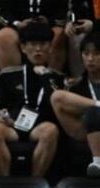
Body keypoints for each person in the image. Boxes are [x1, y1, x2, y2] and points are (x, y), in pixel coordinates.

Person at [0, 21, 63, 177]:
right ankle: (4, 180)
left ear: (50, 47)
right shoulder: (8, 75)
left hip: (39, 127)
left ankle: (35, 181)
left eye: (43, 44)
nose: (38, 49)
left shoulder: (57, 78)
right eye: (33, 44)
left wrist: (46, 77)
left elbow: (59, 107)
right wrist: (0, 117)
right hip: (12, 125)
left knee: (51, 130)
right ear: (23, 48)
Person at [51, 31, 100, 176]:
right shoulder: (76, 86)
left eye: (96, 53)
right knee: (59, 97)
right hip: (88, 131)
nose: (90, 59)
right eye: (86, 53)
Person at [0, 2, 67, 71]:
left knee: (58, 34)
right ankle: (12, 80)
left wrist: (49, 21)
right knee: (5, 35)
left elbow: (65, 12)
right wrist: (16, 23)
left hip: (49, 26)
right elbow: (0, 12)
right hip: (18, 26)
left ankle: (53, 79)